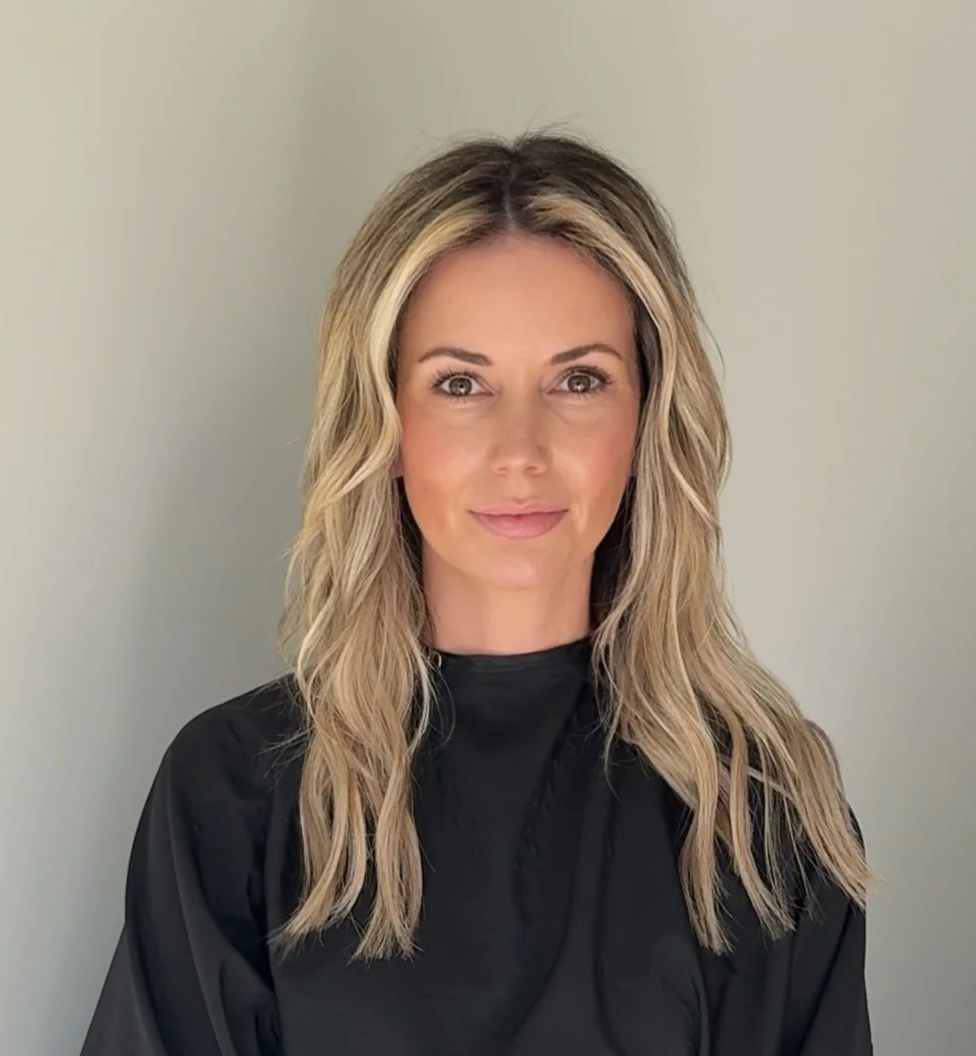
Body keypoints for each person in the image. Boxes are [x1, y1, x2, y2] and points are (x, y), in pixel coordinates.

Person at [80, 129, 875, 1056]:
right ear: (384, 425)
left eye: (580, 380)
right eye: (461, 384)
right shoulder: (235, 793)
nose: (520, 451)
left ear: (648, 420)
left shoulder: (755, 811)